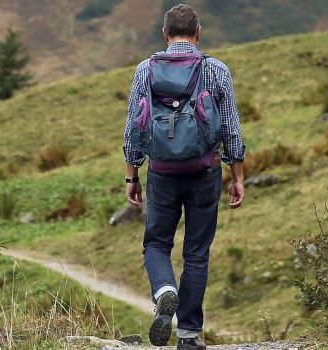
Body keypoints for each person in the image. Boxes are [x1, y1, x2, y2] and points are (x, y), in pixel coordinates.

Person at [122, 4, 246, 349]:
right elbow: (232, 130)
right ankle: (189, 335)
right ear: (198, 33)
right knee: (196, 253)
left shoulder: (145, 70)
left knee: (156, 243)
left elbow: (134, 128)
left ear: (165, 34)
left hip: (161, 172)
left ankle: (165, 290)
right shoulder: (216, 70)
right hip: (204, 171)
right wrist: (237, 175)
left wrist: (132, 176)